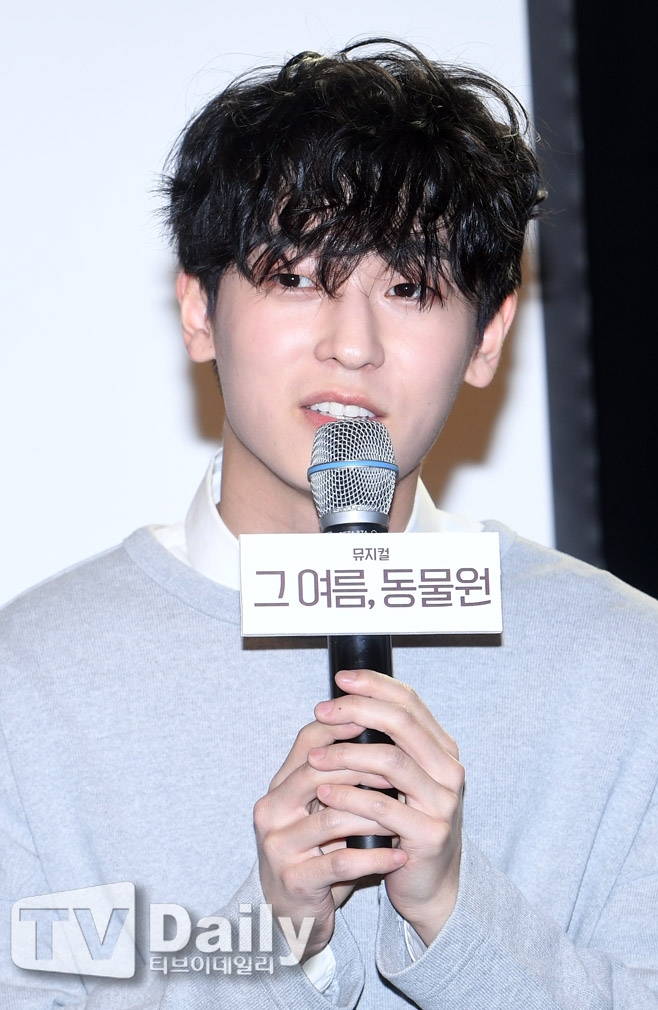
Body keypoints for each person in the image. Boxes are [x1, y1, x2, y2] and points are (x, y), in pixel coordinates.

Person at [1, 37, 657, 1010]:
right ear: (199, 308)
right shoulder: (31, 682)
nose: (352, 344)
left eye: (409, 288)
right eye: (298, 276)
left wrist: (458, 913)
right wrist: (268, 941)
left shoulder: (625, 664)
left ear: (488, 335)